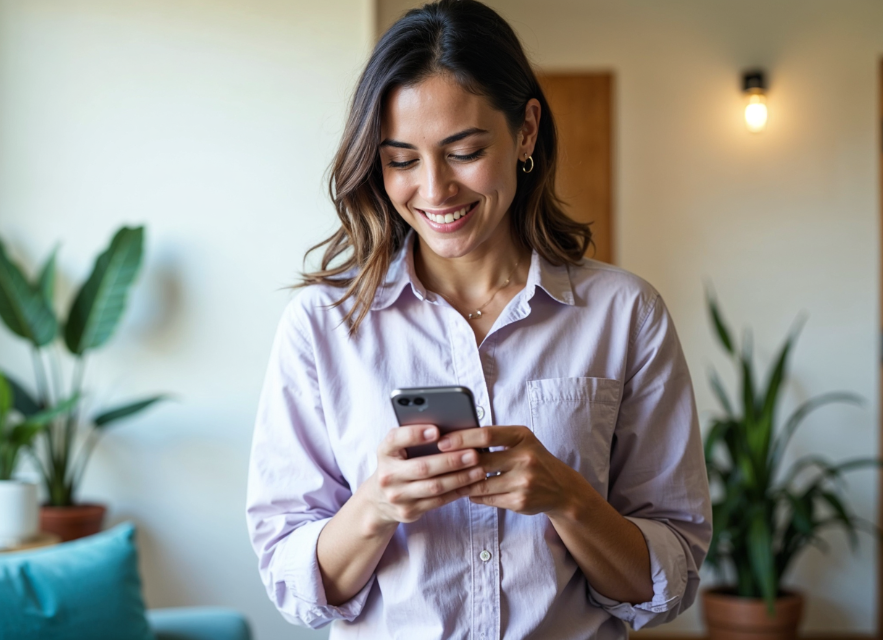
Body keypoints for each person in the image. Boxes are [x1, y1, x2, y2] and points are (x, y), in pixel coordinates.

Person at [244, 1, 712, 638]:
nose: (434, 191)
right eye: (402, 160)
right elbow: (292, 580)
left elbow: (669, 579)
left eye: (463, 151)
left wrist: (567, 498)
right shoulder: (322, 325)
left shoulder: (626, 315)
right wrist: (376, 506)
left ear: (525, 131)